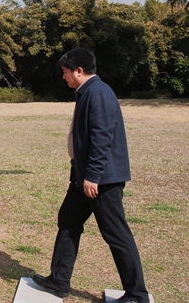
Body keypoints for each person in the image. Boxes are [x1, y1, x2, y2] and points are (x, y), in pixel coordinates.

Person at [33, 48, 149, 303]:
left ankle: (137, 295)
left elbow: (102, 137)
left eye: (65, 73)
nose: (63, 77)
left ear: (79, 71)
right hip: (84, 176)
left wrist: (93, 176)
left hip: (101, 180)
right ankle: (59, 280)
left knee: (116, 234)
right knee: (68, 221)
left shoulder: (98, 93)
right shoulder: (86, 93)